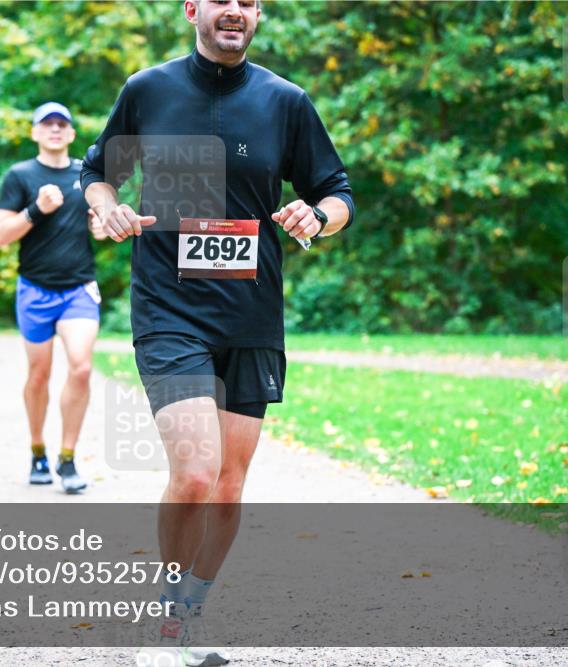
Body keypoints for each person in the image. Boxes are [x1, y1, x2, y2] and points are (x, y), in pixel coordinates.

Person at [81, 1, 355, 663]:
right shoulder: (147, 90)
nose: (235, 9)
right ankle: (166, 625)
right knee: (198, 472)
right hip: (169, 308)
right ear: (192, 9)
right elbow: (97, 176)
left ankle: (188, 613)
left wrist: (316, 216)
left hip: (252, 315)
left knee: (230, 484)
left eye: (248, 1)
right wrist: (108, 210)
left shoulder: (285, 100)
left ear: (256, 15)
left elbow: (337, 190)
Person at [0, 101, 109, 494]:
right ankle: (37, 450)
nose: (55, 129)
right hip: (34, 290)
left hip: (78, 288)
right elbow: (0, 236)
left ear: (72, 134)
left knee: (80, 368)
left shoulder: (86, 175)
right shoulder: (20, 175)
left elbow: (102, 229)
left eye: (62, 124)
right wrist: (35, 210)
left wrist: (101, 227)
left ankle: (68, 458)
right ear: (35, 132)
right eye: (47, 124)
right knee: (39, 374)